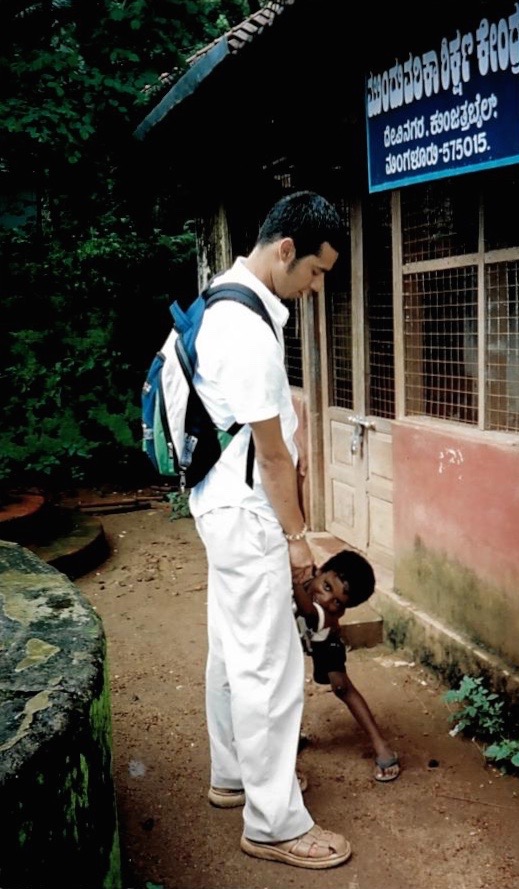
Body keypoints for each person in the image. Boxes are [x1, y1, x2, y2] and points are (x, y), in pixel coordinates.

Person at [189, 191, 352, 869]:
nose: (316, 287)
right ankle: (275, 822)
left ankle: (235, 776)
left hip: (218, 497)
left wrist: (294, 414)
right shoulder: (249, 328)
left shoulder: (222, 296)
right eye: (315, 272)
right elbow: (275, 456)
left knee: (233, 647)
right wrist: (297, 537)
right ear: (286, 249)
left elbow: (258, 416)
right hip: (251, 512)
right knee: (271, 668)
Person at [294, 549, 401, 782]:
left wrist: (290, 576)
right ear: (319, 571)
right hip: (292, 638)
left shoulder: (324, 614)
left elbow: (307, 611)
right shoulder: (301, 573)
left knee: (342, 687)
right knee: (285, 687)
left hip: (322, 639)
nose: (326, 600)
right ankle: (289, 738)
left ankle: (381, 746)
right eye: (327, 587)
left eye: (337, 603)